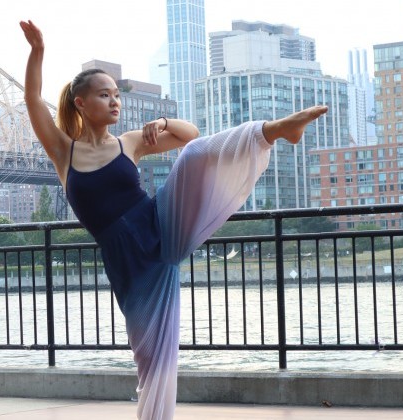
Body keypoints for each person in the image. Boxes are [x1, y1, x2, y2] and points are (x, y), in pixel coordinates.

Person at [20, 20, 328, 420]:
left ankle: (275, 130)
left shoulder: (128, 142)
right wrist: (38, 50)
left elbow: (192, 134)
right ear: (80, 103)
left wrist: (164, 124)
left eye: (117, 95)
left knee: (195, 155)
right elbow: (31, 98)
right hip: (132, 266)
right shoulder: (64, 152)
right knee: (151, 360)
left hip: (160, 224)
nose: (115, 101)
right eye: (104, 95)